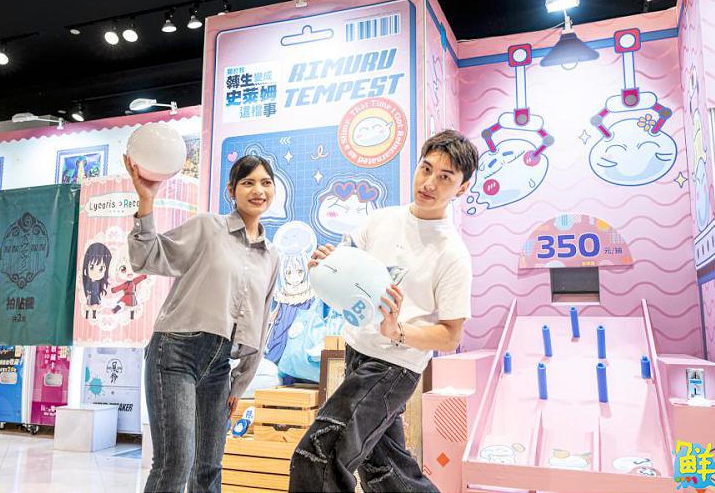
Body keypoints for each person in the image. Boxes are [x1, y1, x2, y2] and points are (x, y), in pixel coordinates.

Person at [289, 130, 479, 492]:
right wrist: (324, 263)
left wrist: (398, 332)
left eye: (445, 177)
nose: (429, 183)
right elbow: (346, 269)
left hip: (394, 365)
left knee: (319, 455)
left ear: (462, 188)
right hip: (356, 351)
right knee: (386, 471)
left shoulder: (452, 253)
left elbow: (450, 336)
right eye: (426, 169)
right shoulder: (380, 220)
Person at [125, 153, 280, 493]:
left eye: (266, 183)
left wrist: (240, 383)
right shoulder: (208, 228)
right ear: (231, 190)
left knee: (209, 467)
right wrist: (146, 202)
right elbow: (146, 256)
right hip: (176, 352)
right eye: (248, 182)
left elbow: (260, 323)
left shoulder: (271, 256)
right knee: (175, 462)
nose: (258, 190)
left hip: (219, 365)